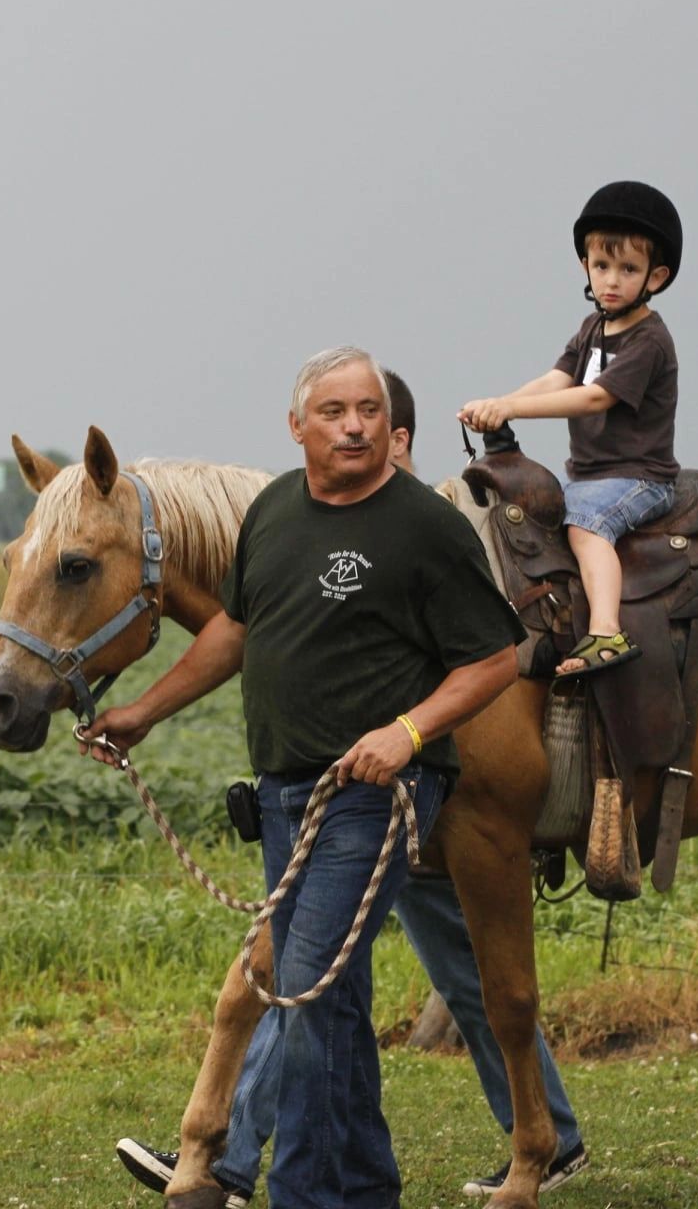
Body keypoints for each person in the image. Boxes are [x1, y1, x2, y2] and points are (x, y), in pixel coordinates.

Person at [112, 369, 589, 1207]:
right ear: (296, 425)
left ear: (392, 426)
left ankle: (300, 1189)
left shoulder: (424, 526)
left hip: (378, 792)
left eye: (370, 411)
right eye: (333, 412)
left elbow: (491, 660)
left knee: (308, 984)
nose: (355, 427)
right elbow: (235, 629)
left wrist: (407, 734)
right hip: (285, 795)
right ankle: (361, 1186)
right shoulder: (275, 512)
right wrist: (144, 712)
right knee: (325, 992)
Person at [457, 181, 682, 677]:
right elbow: (557, 378)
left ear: (656, 277)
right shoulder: (591, 328)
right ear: (585, 266)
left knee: (584, 524)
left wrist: (514, 410)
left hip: (638, 477)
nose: (612, 280)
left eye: (628, 269)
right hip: (587, 473)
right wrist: (501, 404)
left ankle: (606, 631)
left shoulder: (650, 340)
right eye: (602, 266)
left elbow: (594, 396)